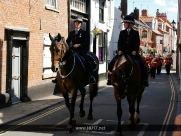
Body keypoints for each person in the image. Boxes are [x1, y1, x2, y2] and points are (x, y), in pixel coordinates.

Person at [107, 15, 149, 87]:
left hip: (132, 53)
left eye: (125, 23)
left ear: (130, 24)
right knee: (111, 64)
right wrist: (119, 50)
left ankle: (144, 80)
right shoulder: (122, 32)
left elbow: (137, 43)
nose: (124, 24)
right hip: (123, 53)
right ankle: (110, 79)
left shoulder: (135, 33)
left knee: (143, 64)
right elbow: (120, 42)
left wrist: (135, 50)